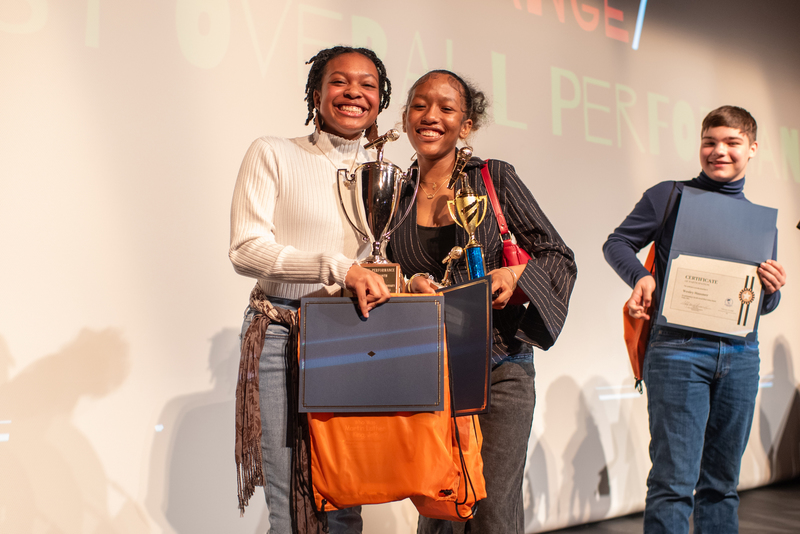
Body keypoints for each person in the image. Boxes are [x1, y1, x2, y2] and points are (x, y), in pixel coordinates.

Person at [388, 70, 577, 533]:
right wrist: (409, 282)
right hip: (430, 373)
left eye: (446, 108)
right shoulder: (393, 193)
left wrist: (516, 274)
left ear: (466, 125)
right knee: (439, 508)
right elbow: (384, 270)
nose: (431, 116)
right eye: (419, 105)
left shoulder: (494, 178)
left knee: (492, 511)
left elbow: (558, 255)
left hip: (500, 365)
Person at [229, 46, 393, 534]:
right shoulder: (273, 152)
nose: (354, 93)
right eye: (340, 81)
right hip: (282, 333)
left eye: (367, 85)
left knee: (347, 492)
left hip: (353, 335)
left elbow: (380, 257)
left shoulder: (387, 173)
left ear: (380, 99)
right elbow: (245, 250)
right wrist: (335, 268)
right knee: (293, 498)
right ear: (316, 93)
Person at [603, 105, 787, 534]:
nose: (719, 151)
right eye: (710, 142)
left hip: (741, 356)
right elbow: (618, 244)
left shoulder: (761, 222)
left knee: (722, 486)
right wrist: (642, 277)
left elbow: (759, 305)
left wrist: (772, 291)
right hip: (678, 353)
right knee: (672, 483)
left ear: (752, 149)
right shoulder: (670, 195)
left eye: (731, 143)